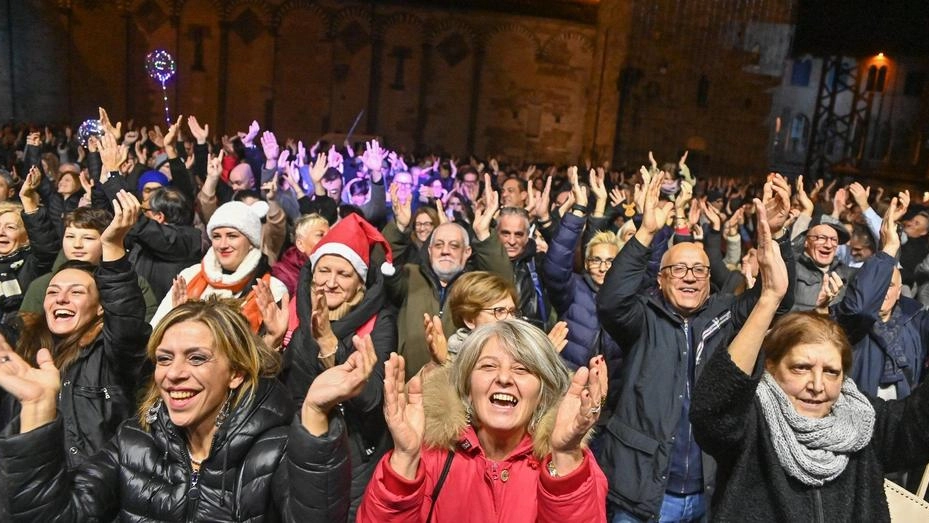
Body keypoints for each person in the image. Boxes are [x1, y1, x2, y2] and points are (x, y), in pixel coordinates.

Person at [0, 296, 376, 521]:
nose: (174, 374)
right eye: (164, 359)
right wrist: (37, 410)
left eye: (196, 358)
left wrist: (313, 414)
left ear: (236, 373)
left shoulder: (274, 450)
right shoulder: (134, 439)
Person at [690, 195, 929, 522]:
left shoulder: (863, 420)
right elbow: (713, 409)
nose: (817, 385)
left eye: (831, 372)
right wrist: (769, 299)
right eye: (802, 367)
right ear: (772, 367)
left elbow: (918, 426)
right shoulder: (754, 422)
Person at [596, 173, 795, 522]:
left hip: (706, 496)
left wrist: (776, 236)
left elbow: (776, 296)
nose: (690, 276)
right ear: (661, 279)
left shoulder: (725, 315)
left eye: (699, 270)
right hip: (642, 495)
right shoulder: (643, 317)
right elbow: (611, 300)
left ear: (709, 278)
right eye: (679, 269)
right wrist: (645, 232)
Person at [357, 319, 609, 522]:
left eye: (521, 369)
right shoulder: (431, 456)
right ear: (467, 386)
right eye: (488, 366)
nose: (503, 378)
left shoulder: (572, 466)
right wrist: (405, 457)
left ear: (543, 391)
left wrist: (564, 456)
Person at [0, 190, 151, 468]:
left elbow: (127, 320)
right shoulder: (20, 347)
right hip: (23, 486)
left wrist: (113, 246)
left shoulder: (111, 352)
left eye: (76, 292)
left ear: (100, 307)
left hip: (90, 489)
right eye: (53, 291)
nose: (61, 298)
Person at [283, 213, 397, 518]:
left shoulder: (378, 322)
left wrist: (329, 343)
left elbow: (373, 398)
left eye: (344, 274)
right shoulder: (294, 311)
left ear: (360, 282)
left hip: (356, 453)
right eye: (324, 271)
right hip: (301, 445)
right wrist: (269, 340)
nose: (330, 283)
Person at [383, 174, 513, 376]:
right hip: (409, 385)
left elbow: (504, 285)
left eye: (454, 246)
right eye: (439, 245)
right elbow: (383, 262)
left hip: (457, 389)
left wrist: (483, 234)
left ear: (467, 253)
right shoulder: (409, 276)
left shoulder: (473, 286)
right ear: (429, 250)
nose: (445, 251)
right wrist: (399, 228)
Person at [150, 200, 288, 347]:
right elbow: (154, 334)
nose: (222, 245)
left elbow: (264, 358)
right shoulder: (190, 276)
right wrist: (177, 319)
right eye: (216, 236)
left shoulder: (271, 288)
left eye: (232, 236)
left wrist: (273, 338)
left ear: (251, 242)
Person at [444, 270, 520, 357]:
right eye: (499, 311)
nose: (511, 319)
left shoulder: (524, 352)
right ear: (469, 320)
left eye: (512, 312)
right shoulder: (454, 363)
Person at [272, 213, 330, 296]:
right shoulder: (283, 275)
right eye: (320, 235)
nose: (329, 239)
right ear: (300, 244)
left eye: (330, 235)